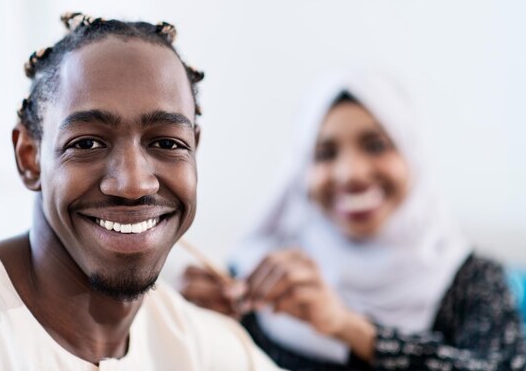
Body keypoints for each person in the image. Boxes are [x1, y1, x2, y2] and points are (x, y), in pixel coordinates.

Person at [0, 12, 284, 370]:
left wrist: (340, 327)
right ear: (30, 157)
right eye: (86, 144)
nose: (133, 185)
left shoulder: (208, 347)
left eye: (167, 143)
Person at [181, 71, 526, 371]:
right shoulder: (260, 275)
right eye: (325, 154)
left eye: (376, 145)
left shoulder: (471, 279)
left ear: (413, 157)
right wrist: (199, 328)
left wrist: (349, 328)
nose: (351, 174)